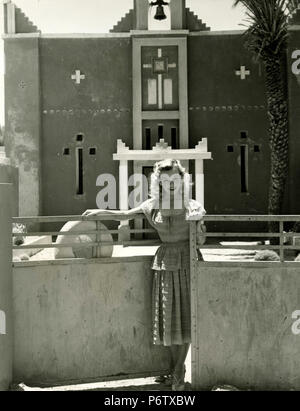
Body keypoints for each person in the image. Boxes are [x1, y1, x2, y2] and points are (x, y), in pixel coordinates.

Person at [83, 159, 206, 391]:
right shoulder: (152, 205)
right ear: (159, 181)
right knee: (168, 315)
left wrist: (199, 225)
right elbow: (124, 215)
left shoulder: (192, 206)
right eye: (165, 179)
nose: (170, 183)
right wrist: (100, 212)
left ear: (183, 180)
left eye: (175, 178)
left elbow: (201, 240)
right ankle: (174, 367)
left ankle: (179, 369)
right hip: (164, 264)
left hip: (189, 262)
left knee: (187, 315)